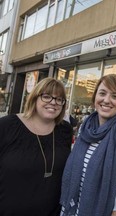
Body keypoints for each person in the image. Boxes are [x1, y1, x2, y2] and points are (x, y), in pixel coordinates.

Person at [60, 74, 116, 216]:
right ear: (94, 98)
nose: (106, 100)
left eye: (115, 96)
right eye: (102, 93)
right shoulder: (85, 129)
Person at [0, 77, 73, 216]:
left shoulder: (65, 130)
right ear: (34, 98)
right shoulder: (7, 126)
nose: (53, 102)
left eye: (59, 99)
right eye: (46, 97)